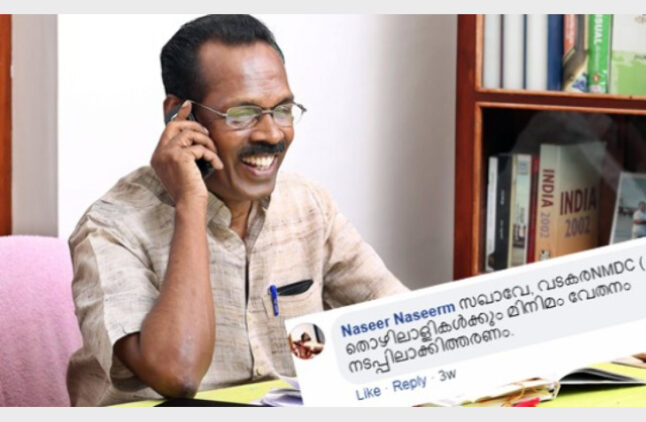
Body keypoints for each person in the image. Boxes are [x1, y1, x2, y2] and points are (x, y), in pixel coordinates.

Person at [66, 14, 408, 406]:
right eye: (242, 114)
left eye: (283, 109)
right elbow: (178, 374)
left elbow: (407, 327)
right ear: (180, 115)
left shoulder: (309, 206)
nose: (272, 133)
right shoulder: (112, 227)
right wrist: (190, 205)